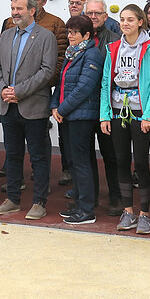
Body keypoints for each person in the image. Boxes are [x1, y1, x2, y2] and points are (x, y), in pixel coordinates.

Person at [0, 0, 59, 220]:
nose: (14, 13)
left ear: (32, 10)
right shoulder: (6, 35)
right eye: (13, 8)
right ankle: (12, 199)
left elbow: (47, 71)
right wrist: (3, 90)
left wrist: (18, 91)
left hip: (33, 107)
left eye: (19, 9)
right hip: (8, 106)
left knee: (38, 157)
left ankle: (39, 202)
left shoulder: (46, 37)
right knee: (12, 154)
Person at [100, 5, 150, 235]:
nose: (125, 23)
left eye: (130, 19)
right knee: (121, 161)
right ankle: (128, 211)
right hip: (118, 111)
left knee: (141, 163)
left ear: (140, 22)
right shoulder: (113, 48)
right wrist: (104, 114)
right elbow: (106, 82)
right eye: (122, 19)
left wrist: (149, 114)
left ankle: (144, 214)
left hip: (140, 113)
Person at [53, 15, 104, 224]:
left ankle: (87, 209)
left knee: (82, 161)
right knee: (76, 161)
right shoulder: (72, 53)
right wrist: (54, 105)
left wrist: (62, 109)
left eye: (74, 32)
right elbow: (62, 82)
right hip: (68, 115)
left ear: (86, 35)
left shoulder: (92, 54)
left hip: (81, 116)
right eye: (68, 32)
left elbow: (84, 87)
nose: (70, 36)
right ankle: (81, 203)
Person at [84, 0, 121, 214]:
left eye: (97, 13)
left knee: (111, 154)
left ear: (106, 16)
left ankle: (116, 197)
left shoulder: (116, 40)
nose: (93, 17)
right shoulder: (79, 38)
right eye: (89, 13)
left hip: (108, 105)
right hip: (83, 105)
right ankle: (90, 197)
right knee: (86, 155)